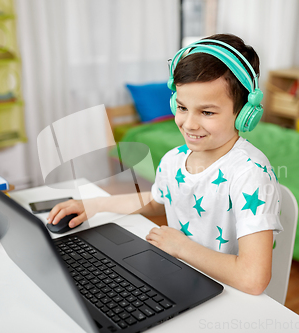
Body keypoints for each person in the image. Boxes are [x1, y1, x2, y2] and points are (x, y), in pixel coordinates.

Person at [47, 34, 283, 295]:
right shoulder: (174, 159)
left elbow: (253, 279)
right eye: (182, 107)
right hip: (180, 277)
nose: (189, 124)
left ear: (245, 114)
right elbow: (158, 200)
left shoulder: (251, 174)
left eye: (207, 112)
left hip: (229, 295)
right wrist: (94, 204)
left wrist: (182, 247)